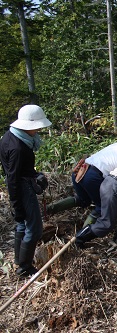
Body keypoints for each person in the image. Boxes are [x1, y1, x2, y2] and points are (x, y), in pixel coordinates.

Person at [46, 129, 117, 226]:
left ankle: (48, 210)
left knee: (83, 200)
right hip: (93, 176)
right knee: (102, 207)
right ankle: (81, 236)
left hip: (80, 171)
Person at [0, 105, 52, 276]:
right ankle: (25, 267)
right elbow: (13, 178)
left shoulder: (10, 137)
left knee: (22, 224)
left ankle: (18, 261)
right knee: (35, 229)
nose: (38, 130)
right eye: (37, 126)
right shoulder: (18, 148)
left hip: (21, 184)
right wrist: (17, 206)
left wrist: (35, 175)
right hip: (21, 188)